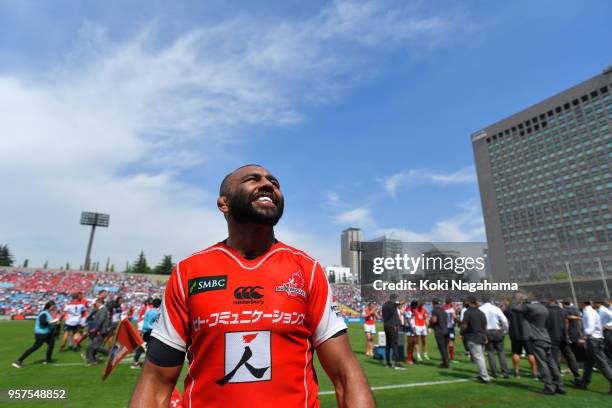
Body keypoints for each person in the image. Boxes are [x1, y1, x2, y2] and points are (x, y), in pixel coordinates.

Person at [130, 164, 375, 408]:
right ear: (223, 203)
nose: (268, 184)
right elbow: (155, 383)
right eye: (252, 179)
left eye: (274, 182)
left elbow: (345, 372)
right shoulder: (188, 272)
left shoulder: (308, 270)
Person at [512, 293, 565, 395]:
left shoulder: (530, 307)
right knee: (552, 363)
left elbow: (514, 308)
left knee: (542, 363)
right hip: (546, 337)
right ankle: (560, 386)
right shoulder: (544, 308)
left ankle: (549, 387)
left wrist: (517, 299)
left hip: (536, 338)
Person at [572, 300, 612, 393]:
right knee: (588, 363)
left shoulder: (588, 312)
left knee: (602, 364)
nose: (578, 305)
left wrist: (583, 338)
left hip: (593, 341)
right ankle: (583, 383)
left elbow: (590, 327)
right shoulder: (591, 311)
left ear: (583, 303)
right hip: (595, 340)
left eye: (578, 303)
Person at [13, 301, 59, 368]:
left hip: (46, 333)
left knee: (51, 344)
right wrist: (51, 322)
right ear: (49, 307)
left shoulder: (47, 313)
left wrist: (54, 324)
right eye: (53, 306)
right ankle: (18, 361)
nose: (54, 307)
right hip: (41, 334)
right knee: (35, 347)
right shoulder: (44, 313)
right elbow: (42, 323)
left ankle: (48, 359)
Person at [545, 298, 580, 382]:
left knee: (555, 357)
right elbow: (567, 322)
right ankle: (576, 375)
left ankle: (557, 377)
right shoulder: (563, 310)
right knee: (569, 356)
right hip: (563, 336)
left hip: (552, 336)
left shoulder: (547, 311)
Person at [502, 297, 537, 378]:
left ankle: (516, 372)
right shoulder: (526, 310)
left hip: (515, 333)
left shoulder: (509, 310)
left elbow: (504, 312)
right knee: (530, 353)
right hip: (526, 333)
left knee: (516, 353)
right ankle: (534, 373)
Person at [461, 296, 489, 383]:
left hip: (473, 337)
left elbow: (464, 325)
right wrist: (485, 336)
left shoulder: (467, 312)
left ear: (469, 302)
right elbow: (485, 326)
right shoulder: (481, 312)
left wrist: (462, 332)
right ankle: (481, 375)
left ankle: (485, 377)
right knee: (480, 357)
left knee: (479, 358)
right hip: (481, 336)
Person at [479, 295, 509, 378]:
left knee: (490, 352)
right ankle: (505, 372)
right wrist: (505, 331)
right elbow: (504, 320)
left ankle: (494, 372)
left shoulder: (480, 309)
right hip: (497, 331)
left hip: (487, 331)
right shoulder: (496, 308)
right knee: (501, 352)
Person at [132, 298, 162, 369]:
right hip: (151, 331)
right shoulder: (157, 313)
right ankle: (147, 364)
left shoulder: (148, 311)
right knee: (151, 347)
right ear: (159, 305)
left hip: (145, 330)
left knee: (143, 346)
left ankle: (135, 362)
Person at [85, 299, 110, 365]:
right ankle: (92, 359)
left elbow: (101, 320)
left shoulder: (103, 310)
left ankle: (109, 354)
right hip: (100, 330)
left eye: (96, 303)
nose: (95, 304)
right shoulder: (101, 310)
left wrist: (96, 329)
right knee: (93, 345)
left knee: (95, 346)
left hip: (100, 331)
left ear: (99, 303)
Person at [382, 294, 404, 370]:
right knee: (394, 344)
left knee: (388, 345)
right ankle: (396, 364)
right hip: (393, 326)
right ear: (395, 299)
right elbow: (401, 302)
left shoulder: (384, 305)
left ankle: (388, 363)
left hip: (386, 326)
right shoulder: (392, 304)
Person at [429, 298, 449, 368]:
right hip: (446, 330)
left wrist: (430, 323)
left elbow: (434, 320)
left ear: (433, 303)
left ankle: (445, 363)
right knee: (445, 347)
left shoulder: (434, 310)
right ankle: (446, 361)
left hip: (439, 331)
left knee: (442, 347)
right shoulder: (444, 311)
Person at [443, 298, 458, 363]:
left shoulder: (442, 309)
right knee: (451, 343)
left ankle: (445, 357)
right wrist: (456, 321)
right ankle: (451, 359)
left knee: (444, 343)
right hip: (450, 328)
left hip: (443, 328)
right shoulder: (451, 310)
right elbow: (455, 318)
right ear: (450, 303)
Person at [405, 300, 418, 364]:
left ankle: (411, 357)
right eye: (416, 306)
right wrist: (412, 328)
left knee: (413, 343)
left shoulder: (413, 309)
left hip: (414, 328)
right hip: (410, 329)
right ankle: (409, 359)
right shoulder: (408, 310)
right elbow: (407, 319)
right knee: (410, 344)